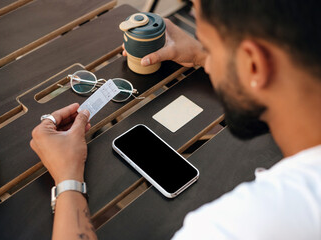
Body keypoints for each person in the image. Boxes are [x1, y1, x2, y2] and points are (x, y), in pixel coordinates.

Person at [30, 0, 321, 239]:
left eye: (208, 44)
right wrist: (203, 56)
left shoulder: (234, 227)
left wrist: (68, 178)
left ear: (254, 64)